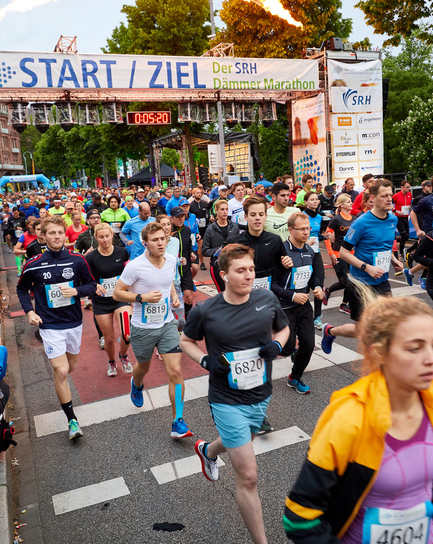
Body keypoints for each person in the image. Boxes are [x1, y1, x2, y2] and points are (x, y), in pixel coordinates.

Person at [285, 296, 433, 544]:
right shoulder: (348, 417)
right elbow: (299, 520)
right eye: (414, 348)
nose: (431, 359)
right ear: (380, 352)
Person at [183, 244, 290, 544]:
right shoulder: (206, 310)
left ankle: (207, 451)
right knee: (248, 476)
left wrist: (278, 345)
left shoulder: (266, 298)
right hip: (226, 399)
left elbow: (283, 330)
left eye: (251, 269)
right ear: (224, 275)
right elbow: (185, 340)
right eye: (240, 270)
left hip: (261, 394)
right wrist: (205, 361)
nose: (248, 276)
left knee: (240, 440)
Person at [16, 216, 98, 441]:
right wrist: (30, 312)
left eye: (60, 233)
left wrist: (77, 292)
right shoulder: (33, 264)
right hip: (49, 324)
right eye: (52, 233)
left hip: (73, 322)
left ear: (65, 234)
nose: (57, 237)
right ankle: (72, 420)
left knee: (70, 366)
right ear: (43, 235)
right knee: (61, 371)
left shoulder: (78, 260)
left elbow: (92, 285)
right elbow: (22, 289)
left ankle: (61, 386)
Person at [113, 222, 192, 438]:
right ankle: (136, 384)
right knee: (143, 368)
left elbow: (168, 285)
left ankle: (178, 421)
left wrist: (174, 298)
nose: (160, 243)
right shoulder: (135, 266)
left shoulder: (172, 260)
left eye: (163, 238)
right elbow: (118, 293)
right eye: (155, 240)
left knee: (175, 371)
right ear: (145, 242)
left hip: (167, 324)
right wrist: (141, 297)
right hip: (142, 327)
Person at [322, 181, 403, 352]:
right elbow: (344, 253)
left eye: (391, 195)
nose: (390, 199)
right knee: (362, 331)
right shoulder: (361, 223)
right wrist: (367, 267)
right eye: (384, 196)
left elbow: (384, 246)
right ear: (373, 198)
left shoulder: (392, 219)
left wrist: (394, 261)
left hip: (381, 280)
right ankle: (330, 331)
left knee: (390, 324)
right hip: (360, 282)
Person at [274, 212, 325, 395]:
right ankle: (288, 349)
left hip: (303, 306)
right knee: (287, 349)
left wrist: (317, 287)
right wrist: (291, 296)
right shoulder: (281, 252)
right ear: (290, 230)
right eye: (301, 229)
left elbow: (312, 276)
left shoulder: (309, 251)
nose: (306, 232)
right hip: (284, 307)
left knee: (308, 344)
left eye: (308, 228)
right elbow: (272, 284)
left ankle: (295, 377)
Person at [86, 224, 134, 377]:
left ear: (112, 235)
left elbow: (128, 272)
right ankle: (112, 361)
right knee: (109, 338)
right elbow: (88, 279)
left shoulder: (122, 252)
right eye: (101, 237)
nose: (104, 239)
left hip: (120, 298)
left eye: (107, 236)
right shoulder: (91, 257)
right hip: (101, 302)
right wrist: (95, 285)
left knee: (127, 333)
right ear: (96, 238)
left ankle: (124, 356)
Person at [322, 194, 357, 314]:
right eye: (348, 202)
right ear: (341, 205)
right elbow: (327, 237)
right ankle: (327, 290)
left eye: (351, 201)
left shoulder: (354, 218)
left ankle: (343, 304)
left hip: (351, 254)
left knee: (351, 281)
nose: (351, 203)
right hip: (338, 254)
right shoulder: (336, 219)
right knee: (344, 282)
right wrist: (331, 253)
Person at [302, 191, 326, 328]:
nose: (315, 201)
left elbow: (318, 236)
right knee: (303, 285)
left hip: (316, 253)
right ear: (306, 202)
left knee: (319, 285)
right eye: (312, 199)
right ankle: (302, 314)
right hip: (303, 253)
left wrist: (325, 237)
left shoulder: (319, 217)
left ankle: (317, 318)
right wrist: (306, 242)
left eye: (316, 199)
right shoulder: (301, 216)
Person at [170, 207, 198, 317]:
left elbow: (189, 245)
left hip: (185, 269)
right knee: (174, 300)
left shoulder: (187, 230)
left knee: (189, 297)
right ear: (172, 218)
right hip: (173, 271)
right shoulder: (169, 231)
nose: (181, 219)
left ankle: (188, 322)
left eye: (182, 216)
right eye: (178, 217)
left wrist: (191, 252)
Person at [202, 199, 239, 265]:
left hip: (232, 263)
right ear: (216, 211)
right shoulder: (210, 229)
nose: (225, 212)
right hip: (217, 264)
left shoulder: (234, 227)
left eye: (226, 209)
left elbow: (238, 245)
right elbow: (205, 251)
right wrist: (221, 250)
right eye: (222, 209)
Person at [392, 180, 413, 260]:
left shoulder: (409, 194)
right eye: (407, 187)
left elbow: (410, 203)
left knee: (407, 236)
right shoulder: (396, 195)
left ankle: (398, 242)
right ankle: (401, 254)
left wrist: (410, 208)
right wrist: (396, 211)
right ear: (402, 187)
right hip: (398, 217)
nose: (408, 189)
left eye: (409, 187)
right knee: (404, 235)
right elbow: (389, 204)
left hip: (406, 216)